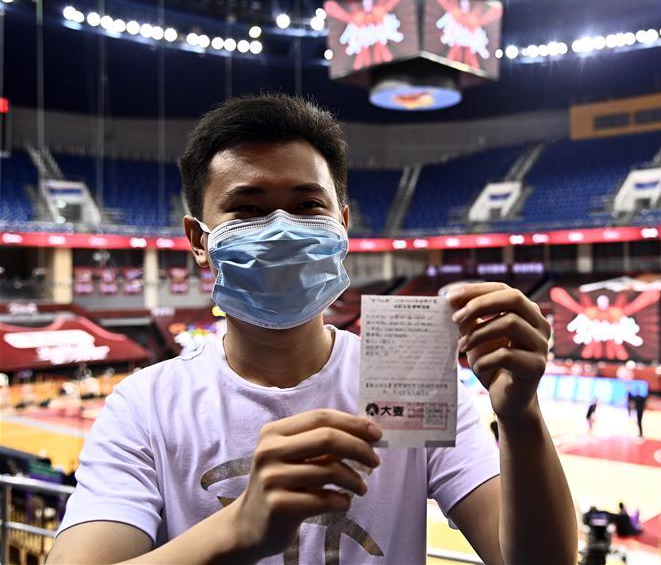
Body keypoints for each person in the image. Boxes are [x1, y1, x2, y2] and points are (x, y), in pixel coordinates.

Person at [47, 94, 577, 564]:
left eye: (306, 206)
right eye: (248, 210)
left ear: (341, 224)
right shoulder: (146, 405)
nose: (282, 229)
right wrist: (238, 528)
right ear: (198, 239)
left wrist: (521, 416)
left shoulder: (410, 378)